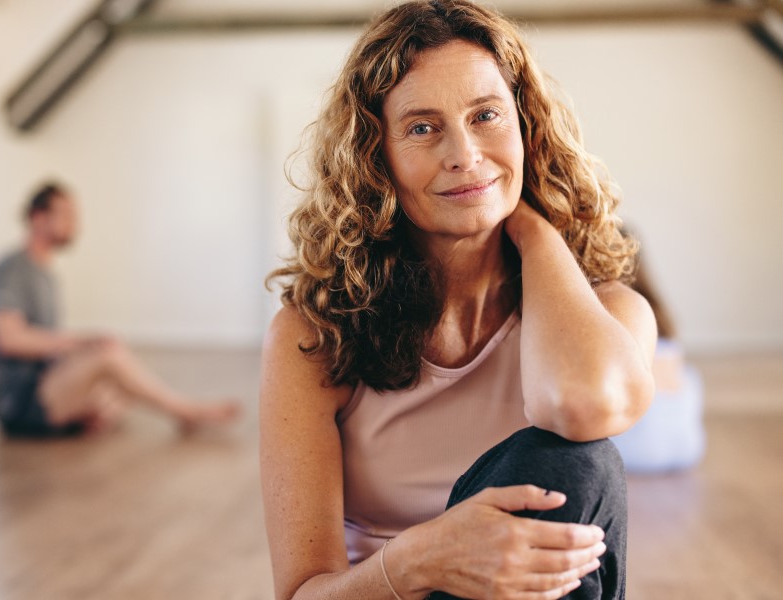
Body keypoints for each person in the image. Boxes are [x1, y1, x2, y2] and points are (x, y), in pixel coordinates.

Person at [259, 2, 657, 599]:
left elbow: (582, 407)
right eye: (423, 127)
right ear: (377, 159)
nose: (464, 154)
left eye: (487, 115)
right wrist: (421, 560)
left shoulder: (610, 312)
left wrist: (532, 228)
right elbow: (301, 594)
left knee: (576, 462)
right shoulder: (314, 334)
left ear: (528, 130)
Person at [0, 182, 240, 437]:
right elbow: (8, 339)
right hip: (19, 403)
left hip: (45, 385)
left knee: (121, 385)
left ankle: (84, 418)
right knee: (108, 355)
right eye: (67, 215)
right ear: (38, 218)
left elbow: (45, 350)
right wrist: (81, 342)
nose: (75, 224)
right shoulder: (13, 268)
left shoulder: (45, 275)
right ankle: (185, 411)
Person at [611, 249, 705, 472]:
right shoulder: (662, 319)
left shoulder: (616, 312)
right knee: (686, 374)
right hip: (687, 448)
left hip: (632, 453)